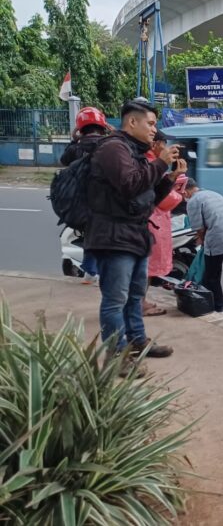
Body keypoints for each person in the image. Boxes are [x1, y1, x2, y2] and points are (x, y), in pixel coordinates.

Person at [85, 100, 184, 372]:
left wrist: (170, 177)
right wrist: (161, 164)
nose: (154, 130)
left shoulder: (135, 152)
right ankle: (116, 358)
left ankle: (137, 342)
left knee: (134, 296)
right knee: (115, 300)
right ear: (132, 122)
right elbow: (130, 185)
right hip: (114, 236)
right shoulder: (113, 149)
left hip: (134, 235)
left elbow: (146, 198)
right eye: (150, 124)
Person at [61, 106, 111, 284]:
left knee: (90, 236)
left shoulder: (76, 148)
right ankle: (97, 271)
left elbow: (64, 160)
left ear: (80, 128)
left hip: (81, 202)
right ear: (102, 126)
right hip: (107, 201)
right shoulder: (109, 143)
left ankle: (91, 270)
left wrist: (74, 140)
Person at [143, 130, 187, 316]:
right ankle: (139, 304)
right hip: (151, 221)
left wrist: (174, 175)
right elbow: (157, 197)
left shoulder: (154, 163)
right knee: (145, 267)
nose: (166, 148)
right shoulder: (149, 162)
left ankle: (141, 301)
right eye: (163, 143)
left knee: (147, 267)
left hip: (155, 220)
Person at [183, 178, 223, 314]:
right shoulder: (212, 193)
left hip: (217, 236)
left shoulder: (193, 201)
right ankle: (208, 303)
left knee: (212, 275)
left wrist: (202, 241)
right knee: (213, 271)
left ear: (185, 192)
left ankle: (220, 307)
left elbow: (199, 229)